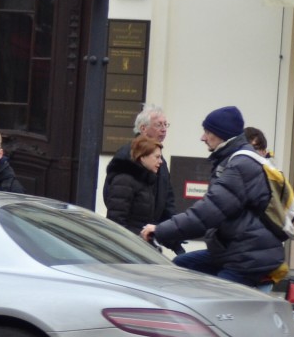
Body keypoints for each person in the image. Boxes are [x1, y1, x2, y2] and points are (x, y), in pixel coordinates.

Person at [139, 105, 284, 286]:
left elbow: (207, 213)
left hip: (248, 258)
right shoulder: (231, 161)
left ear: (222, 134)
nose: (203, 137)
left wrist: (161, 230)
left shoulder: (240, 166)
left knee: (214, 301)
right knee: (180, 267)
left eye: (207, 132)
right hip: (232, 250)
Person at [104, 104, 180, 252]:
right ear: (143, 128)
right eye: (158, 125)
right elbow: (117, 215)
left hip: (146, 238)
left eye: (166, 124)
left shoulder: (160, 162)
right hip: (132, 243)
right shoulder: (126, 158)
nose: (164, 129)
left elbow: (167, 200)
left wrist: (173, 238)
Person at [103, 133, 163, 240]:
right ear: (143, 157)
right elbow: (116, 221)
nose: (160, 161)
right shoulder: (124, 180)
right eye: (157, 157)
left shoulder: (145, 181)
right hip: (128, 245)